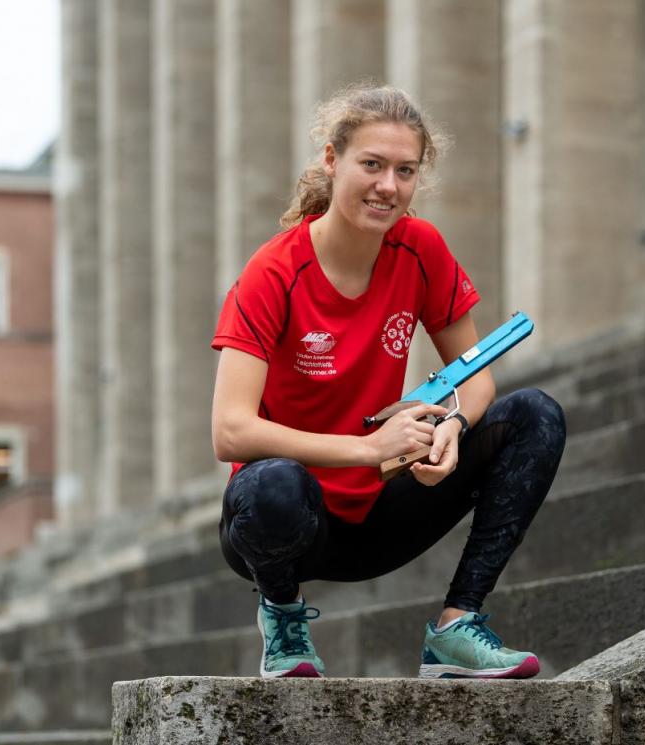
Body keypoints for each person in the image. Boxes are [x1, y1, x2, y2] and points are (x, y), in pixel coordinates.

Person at [210, 83, 566, 679]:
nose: (388, 186)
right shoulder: (273, 272)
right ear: (332, 160)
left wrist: (451, 425)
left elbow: (477, 381)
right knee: (272, 485)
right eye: (372, 165)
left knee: (535, 414)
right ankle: (283, 618)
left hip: (380, 512)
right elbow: (230, 432)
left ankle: (457, 625)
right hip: (289, 526)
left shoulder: (421, 249)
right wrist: (370, 447)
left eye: (405, 170)